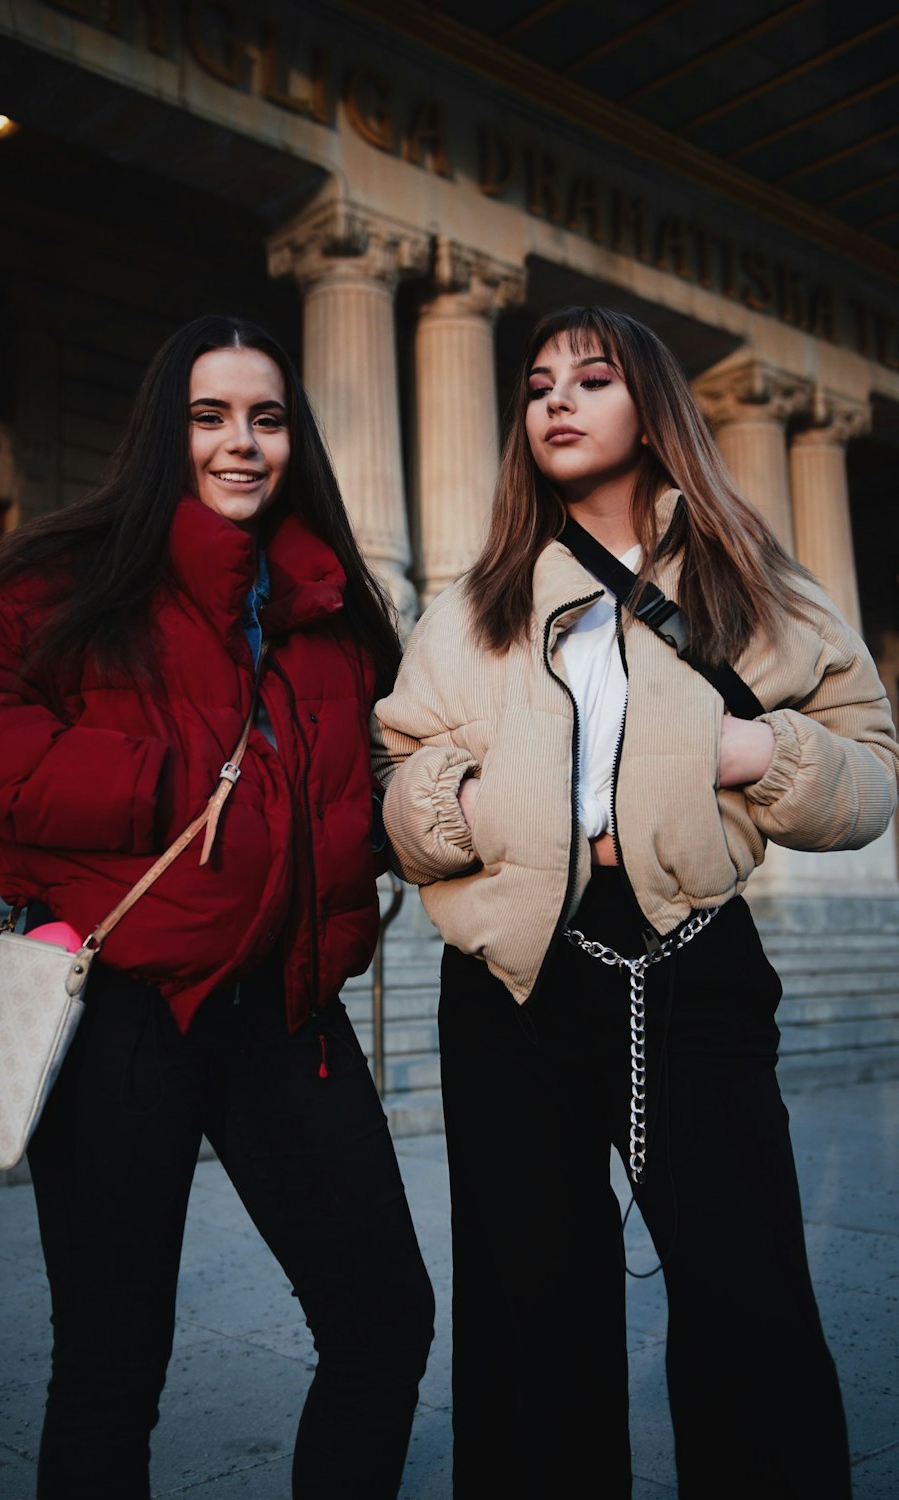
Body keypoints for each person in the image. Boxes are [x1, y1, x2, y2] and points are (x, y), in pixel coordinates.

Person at [0, 314, 434, 1500]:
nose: (239, 443)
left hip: (287, 1011)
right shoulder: (61, 575)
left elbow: (389, 771)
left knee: (386, 1323)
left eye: (266, 417)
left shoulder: (336, 614)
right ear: (164, 432)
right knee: (108, 1367)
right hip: (118, 1014)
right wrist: (153, 781)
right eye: (209, 416)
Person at [372, 305, 898, 1499]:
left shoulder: (752, 582)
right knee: (525, 1314)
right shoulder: (471, 603)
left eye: (591, 378)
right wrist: (458, 804)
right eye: (537, 384)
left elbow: (870, 766)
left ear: (649, 406)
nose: (555, 398)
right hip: (508, 982)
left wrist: (759, 759)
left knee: (746, 1297)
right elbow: (396, 776)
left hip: (689, 964)